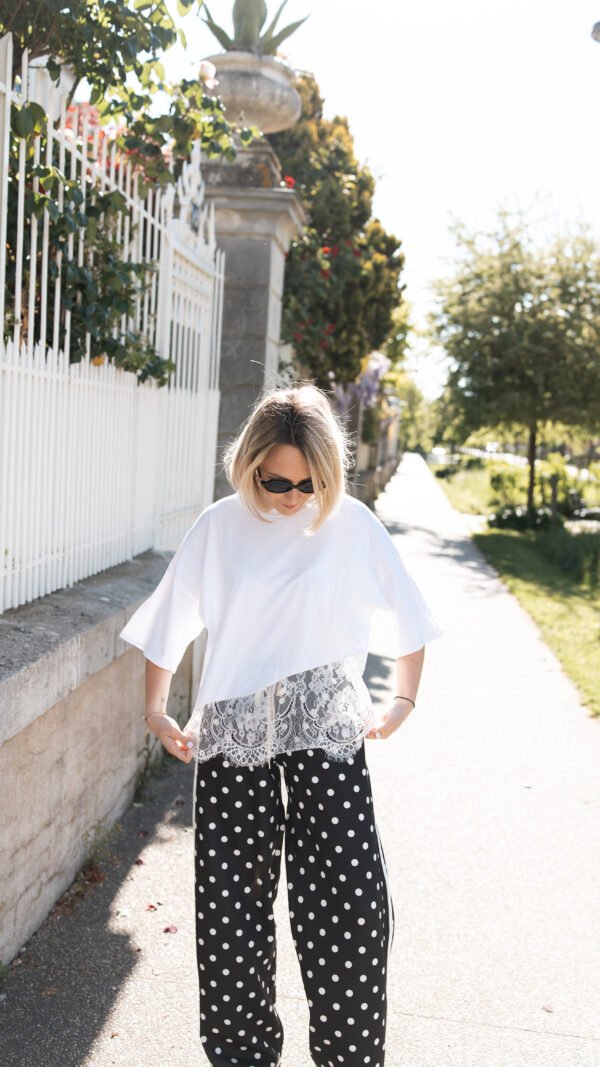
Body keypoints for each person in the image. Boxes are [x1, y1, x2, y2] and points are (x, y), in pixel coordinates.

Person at [119, 382, 443, 1067]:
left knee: (352, 914)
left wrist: (403, 702)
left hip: (326, 735)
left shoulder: (349, 522)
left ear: (326, 472)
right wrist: (156, 708)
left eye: (307, 481)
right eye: (275, 480)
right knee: (230, 920)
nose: (291, 496)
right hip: (234, 742)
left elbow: (410, 614)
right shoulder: (219, 524)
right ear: (250, 464)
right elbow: (169, 618)